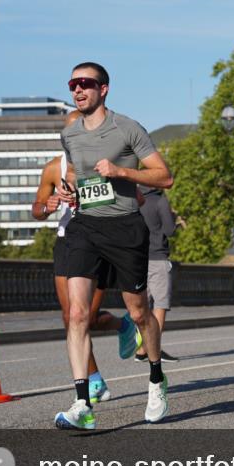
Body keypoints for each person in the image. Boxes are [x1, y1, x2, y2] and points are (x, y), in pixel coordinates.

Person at [53, 62, 174, 430]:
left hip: (124, 228)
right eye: (73, 83)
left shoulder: (128, 128)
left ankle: (156, 380)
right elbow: (79, 176)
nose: (78, 89)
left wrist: (122, 172)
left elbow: (164, 176)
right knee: (77, 315)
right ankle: (81, 404)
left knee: (138, 313)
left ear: (103, 89)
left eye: (86, 83)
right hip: (85, 227)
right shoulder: (70, 135)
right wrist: (69, 192)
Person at [32, 110, 140, 406]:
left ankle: (123, 325)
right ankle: (94, 382)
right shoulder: (54, 168)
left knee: (88, 317)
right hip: (69, 240)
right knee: (71, 317)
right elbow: (37, 207)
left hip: (103, 238)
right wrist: (49, 205)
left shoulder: (107, 162)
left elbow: (136, 199)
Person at [134, 185, 184, 362]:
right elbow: (169, 230)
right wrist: (175, 218)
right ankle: (154, 348)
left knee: (141, 305)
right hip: (157, 257)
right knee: (160, 303)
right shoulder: (160, 200)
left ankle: (141, 350)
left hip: (136, 258)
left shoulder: (134, 198)